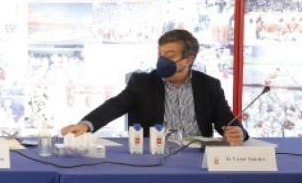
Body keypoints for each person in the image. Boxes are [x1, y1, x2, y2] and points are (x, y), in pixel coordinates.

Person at [60, 29, 246, 144]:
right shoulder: (142, 82)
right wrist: (85, 125)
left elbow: (227, 121)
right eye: (160, 54)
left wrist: (238, 133)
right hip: (154, 156)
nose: (162, 59)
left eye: (170, 54)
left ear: (189, 59)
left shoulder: (209, 85)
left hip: (197, 157)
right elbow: (114, 106)